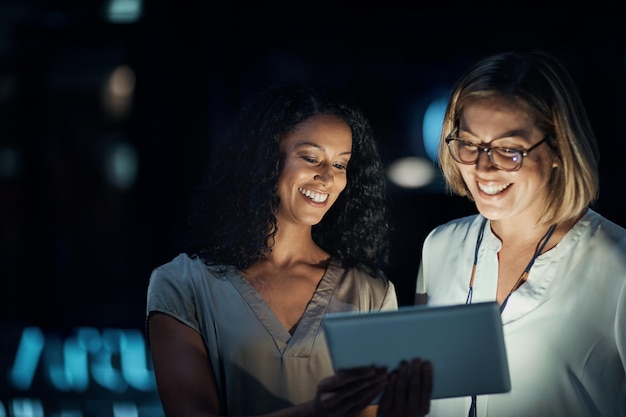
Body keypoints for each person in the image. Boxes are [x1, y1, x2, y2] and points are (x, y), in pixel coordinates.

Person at [146, 81, 433, 417]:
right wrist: (318, 412)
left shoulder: (371, 291)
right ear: (265, 159)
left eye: (341, 164)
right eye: (311, 158)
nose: (328, 177)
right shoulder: (182, 285)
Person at [414, 49, 626, 416]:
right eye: (468, 143)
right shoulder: (439, 245)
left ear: (559, 147)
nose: (484, 167)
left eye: (509, 150)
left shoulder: (617, 263)